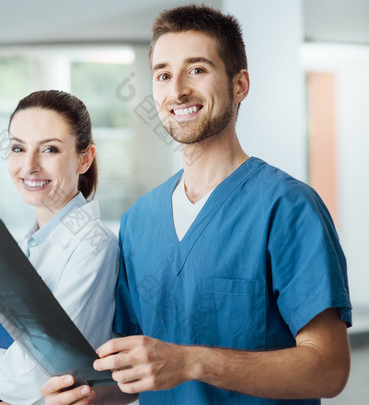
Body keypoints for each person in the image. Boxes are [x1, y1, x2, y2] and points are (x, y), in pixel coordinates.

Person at [41, 5, 352, 404]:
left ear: (239, 85)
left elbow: (328, 369)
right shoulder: (140, 220)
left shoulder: (289, 208)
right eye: (164, 75)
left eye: (198, 70)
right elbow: (132, 371)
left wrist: (193, 363)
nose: (177, 90)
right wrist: (86, 396)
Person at [0, 90, 120, 404]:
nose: (29, 165)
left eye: (49, 149)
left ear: (85, 158)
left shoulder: (94, 247)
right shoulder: (24, 246)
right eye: (17, 148)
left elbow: (38, 375)